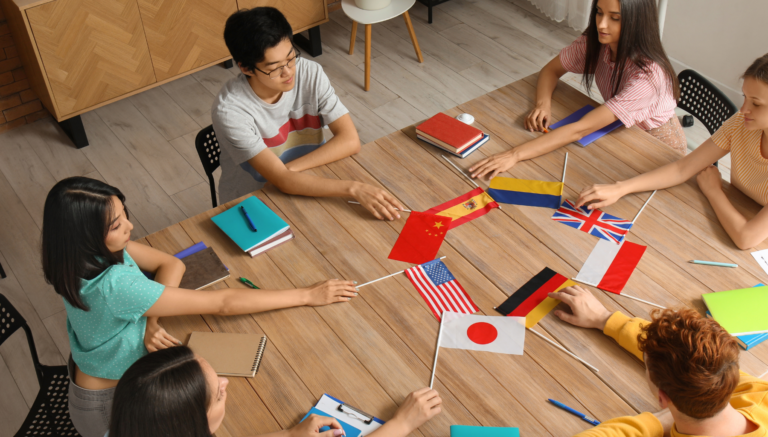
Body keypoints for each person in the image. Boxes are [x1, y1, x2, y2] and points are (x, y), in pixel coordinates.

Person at [41, 177, 359, 437]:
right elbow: (223, 302)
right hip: (110, 405)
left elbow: (171, 264)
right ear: (85, 236)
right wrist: (305, 295)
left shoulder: (78, 255)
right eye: (116, 225)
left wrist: (152, 320)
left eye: (124, 213)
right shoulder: (114, 285)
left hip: (102, 373)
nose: (130, 227)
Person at [212, 7, 403, 221]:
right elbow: (280, 182)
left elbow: (350, 140)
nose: (289, 72)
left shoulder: (309, 73)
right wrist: (354, 188)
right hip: (253, 201)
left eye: (291, 57)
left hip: (313, 176)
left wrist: (289, 171)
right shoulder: (231, 112)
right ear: (246, 68)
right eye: (274, 68)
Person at [470, 0, 682, 180]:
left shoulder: (649, 77)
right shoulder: (597, 39)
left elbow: (580, 129)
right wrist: (543, 105)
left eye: (615, 18)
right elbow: (551, 70)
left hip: (655, 144)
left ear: (637, 23)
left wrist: (514, 155)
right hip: (620, 130)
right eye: (599, 13)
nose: (602, 24)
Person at [576, 54, 768, 250]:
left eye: (757, 103)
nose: (743, 109)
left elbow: (746, 239)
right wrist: (621, 188)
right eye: (745, 97)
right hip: (737, 209)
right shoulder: (740, 124)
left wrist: (714, 191)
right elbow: (682, 168)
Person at [547, 285, 766, 436]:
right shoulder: (758, 392)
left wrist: (658, 421)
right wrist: (605, 319)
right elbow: (683, 355)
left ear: (662, 399)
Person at [108, 346, 442, 437]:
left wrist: (289, 435)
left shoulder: (135, 425)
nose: (227, 383)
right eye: (218, 394)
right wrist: (400, 425)